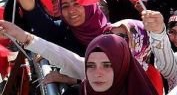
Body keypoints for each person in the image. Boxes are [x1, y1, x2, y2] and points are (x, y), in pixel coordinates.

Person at [0, 22, 157, 95]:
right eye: (109, 34)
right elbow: (66, 58)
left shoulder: (147, 82)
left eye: (122, 37)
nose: (98, 72)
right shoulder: (87, 85)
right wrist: (24, 37)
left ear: (139, 43)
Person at [4, 0, 109, 55]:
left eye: (77, 4)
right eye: (65, 6)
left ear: (89, 5)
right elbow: (36, 16)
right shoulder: (65, 31)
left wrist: (72, 80)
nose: (71, 10)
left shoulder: (113, 35)